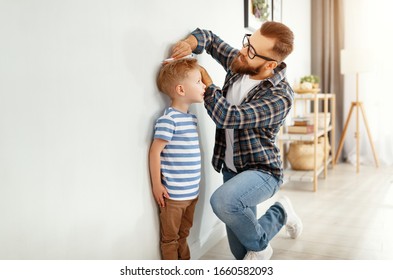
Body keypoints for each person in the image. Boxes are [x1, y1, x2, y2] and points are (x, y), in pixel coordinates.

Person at [170, 21, 303, 260]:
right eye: (248, 42)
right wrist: (189, 43)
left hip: (262, 171)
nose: (243, 51)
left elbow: (228, 117)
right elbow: (208, 38)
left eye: (252, 51)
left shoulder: (280, 96)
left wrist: (208, 84)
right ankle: (281, 212)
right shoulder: (244, 62)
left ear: (270, 64)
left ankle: (263, 250)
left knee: (222, 201)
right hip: (232, 168)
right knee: (241, 253)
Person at [149, 58, 206, 260]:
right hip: (173, 197)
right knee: (170, 239)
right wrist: (157, 184)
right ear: (181, 90)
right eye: (198, 81)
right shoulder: (169, 119)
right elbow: (155, 152)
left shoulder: (191, 118)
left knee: (184, 234)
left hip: (192, 193)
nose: (204, 85)